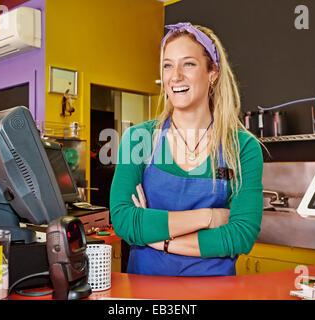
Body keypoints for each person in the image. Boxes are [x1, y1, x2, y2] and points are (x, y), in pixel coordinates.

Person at [109, 22, 264, 276]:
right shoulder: (138, 139)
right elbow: (125, 222)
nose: (175, 76)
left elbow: (240, 235)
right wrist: (207, 217)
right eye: (168, 65)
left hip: (214, 291)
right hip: (145, 291)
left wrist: (159, 238)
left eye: (188, 64)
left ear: (212, 72)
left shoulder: (243, 147)